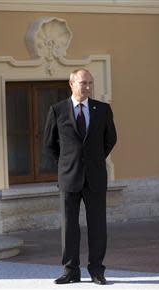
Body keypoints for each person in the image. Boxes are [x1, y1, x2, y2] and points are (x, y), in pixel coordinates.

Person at [43, 68, 117, 285]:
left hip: (95, 178)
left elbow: (110, 139)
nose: (87, 87)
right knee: (69, 227)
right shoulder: (57, 110)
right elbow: (49, 145)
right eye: (83, 83)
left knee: (97, 226)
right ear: (72, 83)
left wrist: (93, 159)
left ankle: (97, 270)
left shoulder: (102, 110)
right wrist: (67, 163)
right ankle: (70, 271)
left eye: (90, 83)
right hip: (69, 178)